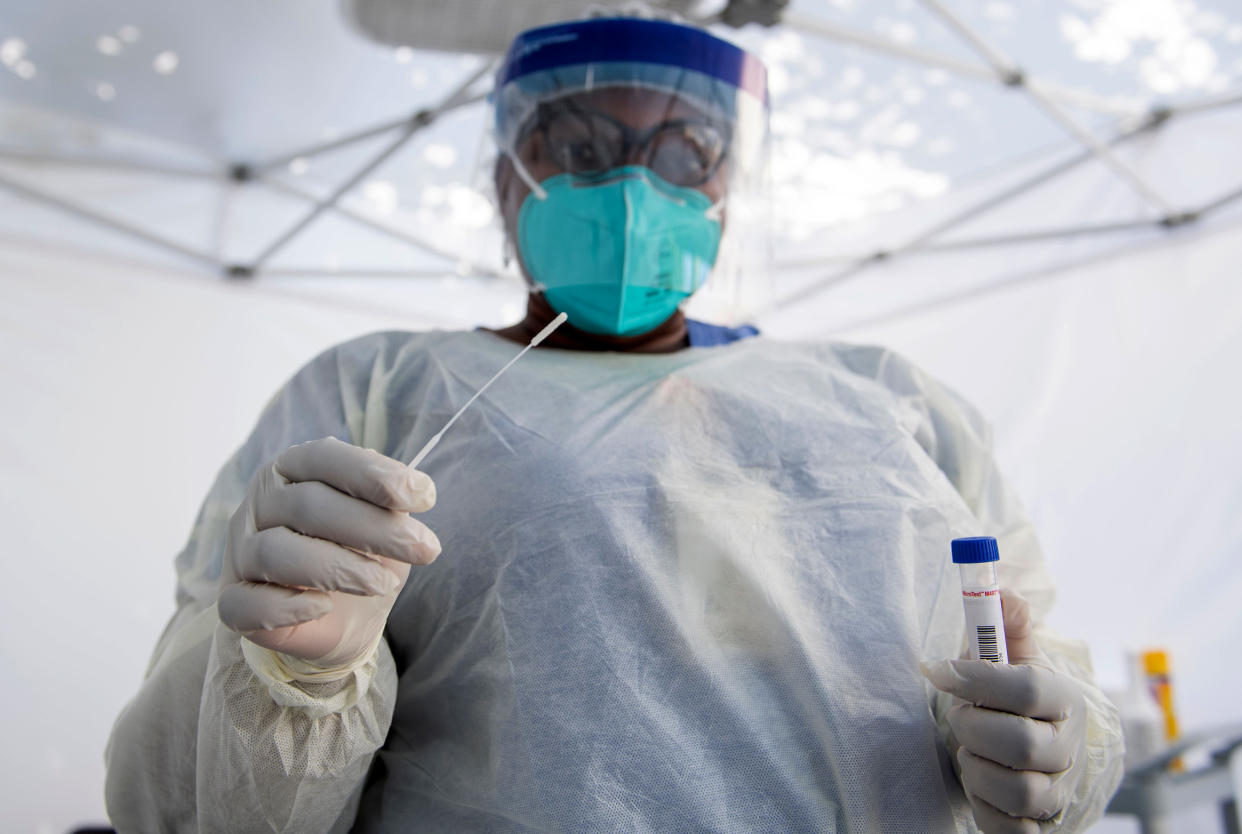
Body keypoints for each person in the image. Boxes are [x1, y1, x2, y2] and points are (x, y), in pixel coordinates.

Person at [105, 15, 1123, 834]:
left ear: (728, 189)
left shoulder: (889, 395)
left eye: (687, 151)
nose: (639, 189)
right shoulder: (380, 390)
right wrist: (293, 674)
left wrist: (1055, 748)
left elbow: (1041, 655)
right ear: (507, 177)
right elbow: (186, 808)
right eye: (581, 147)